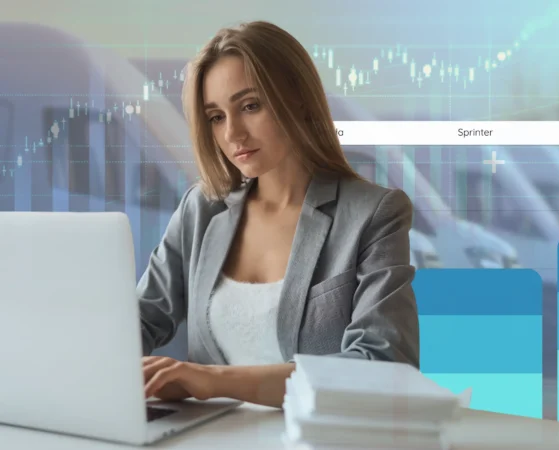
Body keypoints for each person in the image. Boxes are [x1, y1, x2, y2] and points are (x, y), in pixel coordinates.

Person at [137, 21, 420, 408]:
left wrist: (215, 380)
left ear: (299, 100)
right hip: (206, 439)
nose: (233, 133)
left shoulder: (373, 213)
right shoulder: (200, 209)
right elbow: (138, 321)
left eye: (250, 106)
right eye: (216, 116)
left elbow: (384, 366)